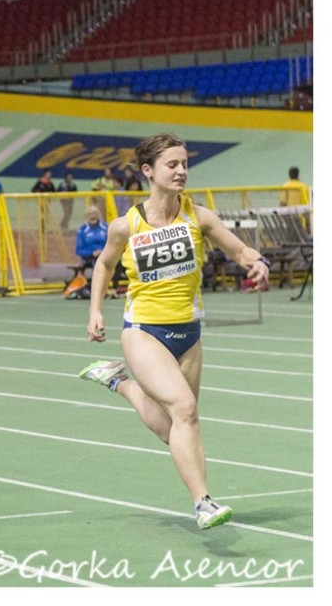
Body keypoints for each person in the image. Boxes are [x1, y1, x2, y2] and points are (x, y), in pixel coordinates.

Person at [78, 133, 270, 531]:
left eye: (184, 164)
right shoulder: (124, 226)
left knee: (176, 426)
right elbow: (102, 266)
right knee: (184, 410)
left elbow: (238, 250)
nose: (181, 171)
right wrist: (96, 310)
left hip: (189, 335)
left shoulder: (199, 216)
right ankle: (203, 502)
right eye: (172, 164)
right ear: (149, 171)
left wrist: (257, 261)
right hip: (144, 333)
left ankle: (123, 385)